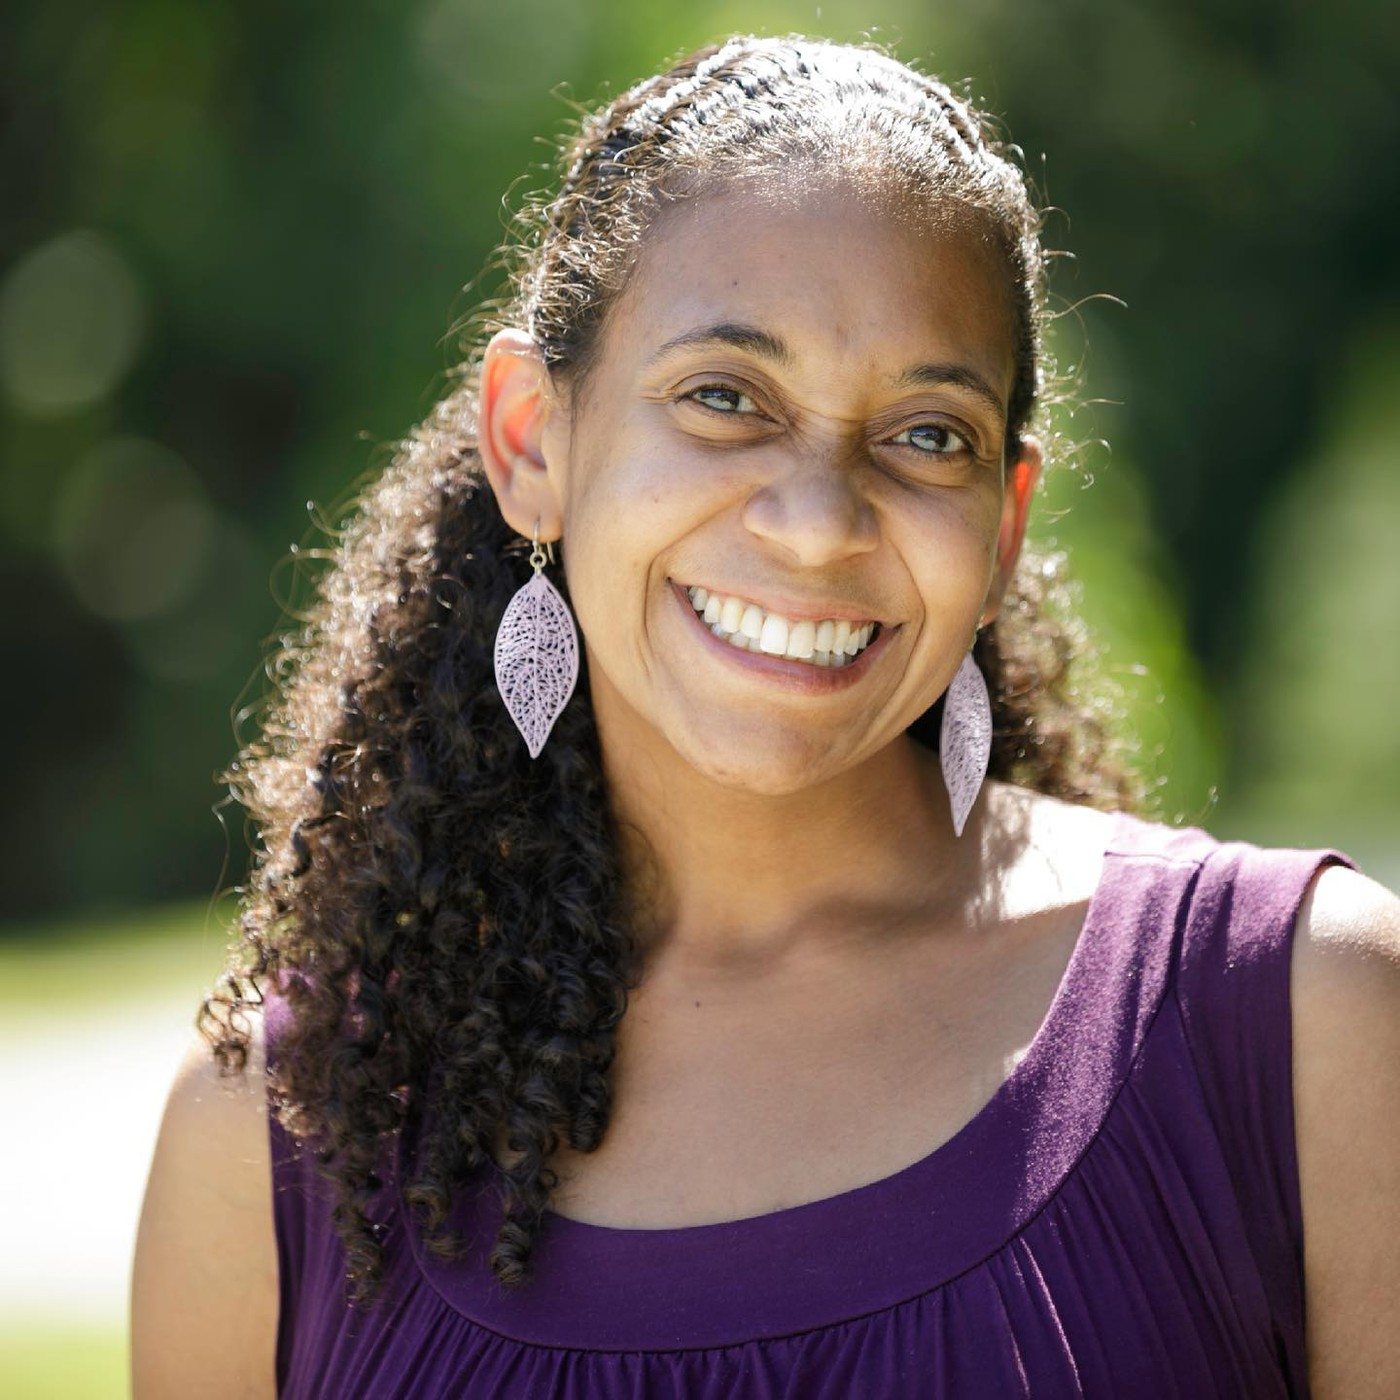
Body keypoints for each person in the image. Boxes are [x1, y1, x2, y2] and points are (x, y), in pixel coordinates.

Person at [130, 34, 1400, 1399]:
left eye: (928, 433)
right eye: (725, 399)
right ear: (530, 441)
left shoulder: (1303, 1022)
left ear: (1004, 526)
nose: (817, 524)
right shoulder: (276, 1134)